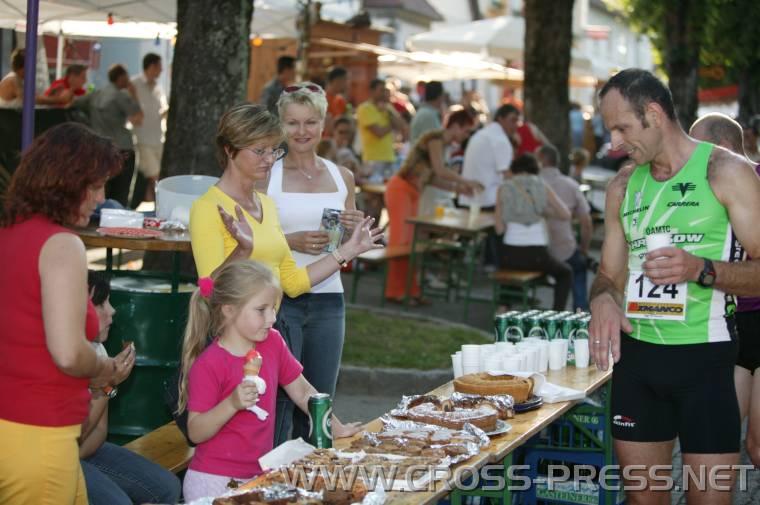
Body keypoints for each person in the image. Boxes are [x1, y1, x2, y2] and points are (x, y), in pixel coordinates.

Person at [589, 68, 760, 504]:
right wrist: (603, 302)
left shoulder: (726, 172)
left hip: (706, 365)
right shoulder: (623, 186)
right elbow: (608, 276)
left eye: (622, 128)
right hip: (638, 364)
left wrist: (701, 269)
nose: (614, 144)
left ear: (654, 113)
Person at [189, 103, 383, 445]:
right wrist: (241, 250)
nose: (269, 159)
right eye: (259, 150)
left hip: (267, 333)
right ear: (229, 151)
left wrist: (348, 250)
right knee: (250, 443)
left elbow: (292, 282)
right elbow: (207, 288)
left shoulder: (266, 205)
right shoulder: (208, 207)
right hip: (230, 347)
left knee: (275, 436)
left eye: (272, 149)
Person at [0, 122, 131, 505]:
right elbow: (69, 352)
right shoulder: (61, 244)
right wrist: (105, 370)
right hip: (40, 433)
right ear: (64, 181)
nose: (101, 197)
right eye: (94, 185)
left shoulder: (10, 232)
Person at [178, 260, 362, 501]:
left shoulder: (273, 343)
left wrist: (337, 428)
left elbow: (303, 391)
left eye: (274, 308)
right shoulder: (210, 363)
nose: (272, 318)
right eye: (261, 309)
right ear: (229, 309)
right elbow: (196, 432)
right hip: (213, 480)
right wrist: (231, 404)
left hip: (258, 477)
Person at [265, 82, 364, 442]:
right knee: (279, 406)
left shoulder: (343, 177)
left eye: (310, 122)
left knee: (320, 401)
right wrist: (291, 240)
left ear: (323, 124)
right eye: (293, 123)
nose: (302, 131)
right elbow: (251, 239)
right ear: (281, 125)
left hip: (328, 297)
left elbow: (345, 248)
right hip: (278, 300)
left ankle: (317, 487)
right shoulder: (267, 175)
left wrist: (354, 233)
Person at [689, 112, 760, 466]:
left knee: (759, 443)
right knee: (725, 437)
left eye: (697, 146)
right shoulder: (702, 187)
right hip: (730, 323)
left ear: (722, 148)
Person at [79, 271, 181, 505]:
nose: (112, 310)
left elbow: (98, 433)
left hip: (82, 451)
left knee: (168, 487)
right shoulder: (63, 358)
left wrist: (106, 386)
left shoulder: (98, 349)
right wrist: (108, 384)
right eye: (100, 303)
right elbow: (72, 441)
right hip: (52, 459)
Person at [384, 110, 477, 304]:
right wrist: (466, 181)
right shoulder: (435, 138)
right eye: (467, 131)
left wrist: (459, 189)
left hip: (412, 192)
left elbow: (432, 178)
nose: (466, 136)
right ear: (456, 126)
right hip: (401, 189)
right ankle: (396, 291)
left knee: (411, 243)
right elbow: (440, 170)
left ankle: (412, 290)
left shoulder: (440, 144)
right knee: (401, 242)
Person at [495, 154, 572, 310]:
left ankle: (503, 307)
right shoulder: (542, 186)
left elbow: (499, 229)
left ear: (515, 168)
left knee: (511, 267)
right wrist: (544, 212)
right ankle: (556, 315)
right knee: (565, 273)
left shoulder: (503, 188)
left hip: (510, 254)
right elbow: (565, 214)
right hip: (537, 255)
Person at [459, 104, 521, 269]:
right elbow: (507, 174)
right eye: (512, 120)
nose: (516, 125)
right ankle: (499, 265)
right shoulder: (500, 140)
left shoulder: (483, 134)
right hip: (488, 199)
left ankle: (488, 261)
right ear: (500, 119)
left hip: (470, 198)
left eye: (517, 121)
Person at [74, 64, 143, 208]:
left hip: (98, 149)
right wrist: (134, 94)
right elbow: (138, 117)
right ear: (121, 77)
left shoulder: (96, 94)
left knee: (102, 190)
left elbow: (74, 104)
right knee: (120, 193)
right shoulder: (120, 96)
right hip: (122, 147)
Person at [537, 145, 592, 311]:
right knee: (579, 266)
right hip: (563, 249)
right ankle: (580, 311)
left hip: (535, 251)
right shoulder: (570, 185)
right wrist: (584, 248)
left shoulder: (531, 184)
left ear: (541, 160)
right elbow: (586, 223)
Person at [131, 53, 168, 205]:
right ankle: (157, 203)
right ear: (151, 66)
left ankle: (146, 201)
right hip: (142, 139)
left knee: (154, 176)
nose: (161, 70)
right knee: (154, 175)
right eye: (159, 67)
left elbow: (161, 111)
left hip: (157, 139)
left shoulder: (158, 88)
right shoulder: (134, 84)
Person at [356, 78, 407, 183]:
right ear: (372, 91)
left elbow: (402, 126)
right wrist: (392, 123)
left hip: (390, 157)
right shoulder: (364, 108)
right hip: (373, 159)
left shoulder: (387, 107)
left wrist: (389, 111)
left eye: (385, 90)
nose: (384, 93)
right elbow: (379, 133)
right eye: (381, 90)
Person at [0, 48, 74, 108]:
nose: (34, 69)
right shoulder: (13, 81)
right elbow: (32, 100)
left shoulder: (17, 79)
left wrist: (51, 93)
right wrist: (59, 99)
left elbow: (35, 97)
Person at [323, 66, 349, 137]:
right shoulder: (322, 101)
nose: (347, 84)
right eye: (345, 80)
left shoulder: (340, 100)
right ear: (337, 80)